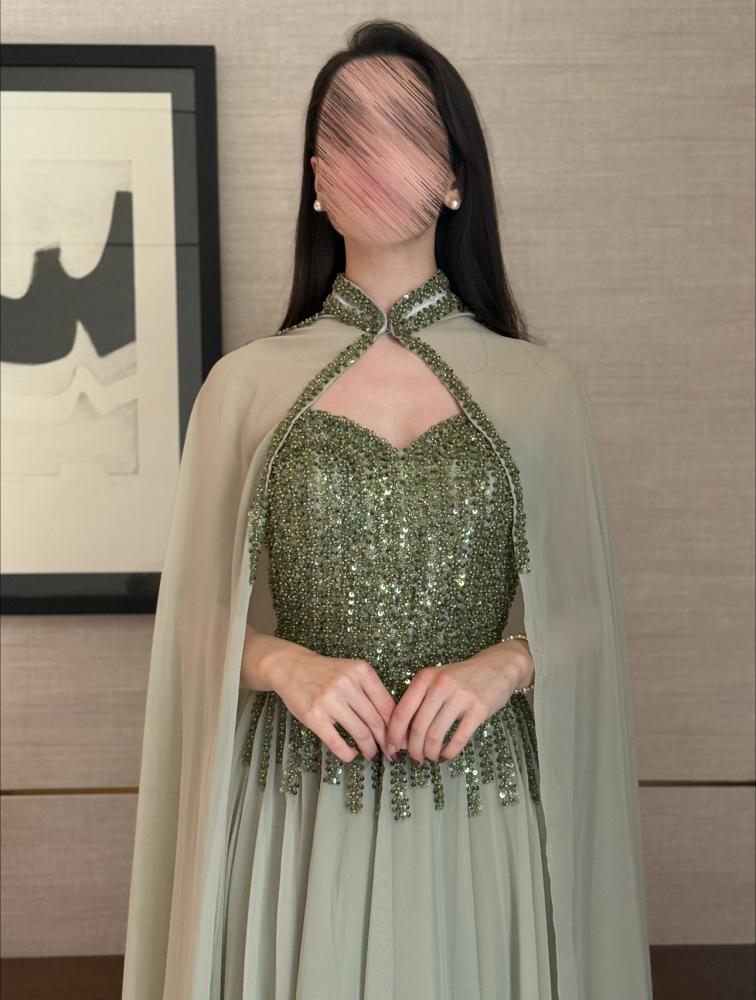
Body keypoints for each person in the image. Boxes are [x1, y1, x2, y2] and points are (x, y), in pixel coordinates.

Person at [121, 20, 653, 1000]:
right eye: (346, 132)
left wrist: (507, 662)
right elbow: (188, 623)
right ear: (316, 181)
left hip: (483, 814)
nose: (372, 153)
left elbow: (590, 618)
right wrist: (281, 663)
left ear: (455, 176)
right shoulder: (243, 387)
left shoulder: (540, 388)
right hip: (296, 815)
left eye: (404, 127)